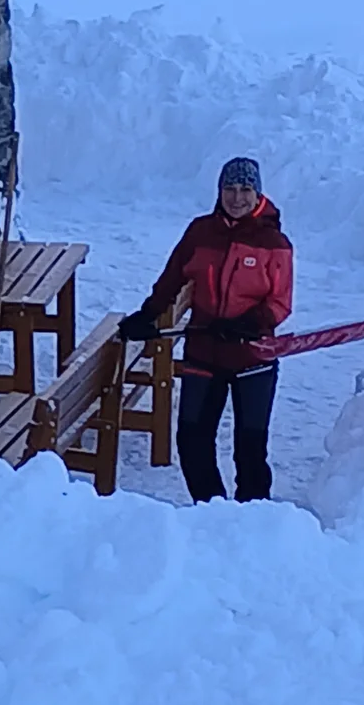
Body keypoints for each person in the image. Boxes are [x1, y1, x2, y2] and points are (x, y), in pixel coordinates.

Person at [121, 157, 293, 503]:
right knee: (192, 439)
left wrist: (248, 324)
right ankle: (211, 510)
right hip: (204, 349)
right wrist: (148, 315)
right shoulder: (200, 232)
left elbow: (280, 302)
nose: (237, 198)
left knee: (250, 447)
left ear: (258, 193)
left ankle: (253, 519)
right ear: (219, 191)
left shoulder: (275, 243)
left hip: (252, 356)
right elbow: (173, 278)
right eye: (229, 189)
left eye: (245, 190)